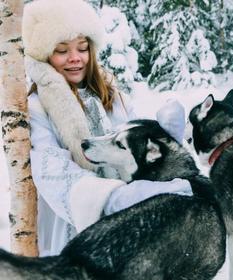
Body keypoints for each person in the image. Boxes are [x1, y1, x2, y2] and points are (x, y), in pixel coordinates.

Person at [22, 0, 192, 257]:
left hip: (124, 225)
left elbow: (135, 150)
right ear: (45, 54)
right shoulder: (36, 107)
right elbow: (50, 169)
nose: (75, 58)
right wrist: (111, 198)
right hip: (70, 226)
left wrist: (165, 141)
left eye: (82, 47)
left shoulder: (113, 96)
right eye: (61, 50)